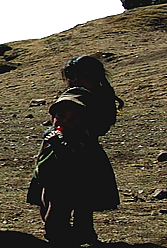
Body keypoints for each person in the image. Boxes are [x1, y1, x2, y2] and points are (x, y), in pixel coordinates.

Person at [26, 87, 120, 247]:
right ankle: (74, 235)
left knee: (59, 214)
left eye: (74, 118)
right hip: (49, 179)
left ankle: (61, 237)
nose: (65, 122)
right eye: (61, 116)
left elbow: (72, 160)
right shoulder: (52, 132)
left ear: (85, 120)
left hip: (72, 184)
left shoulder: (81, 139)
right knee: (46, 206)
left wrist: (58, 145)